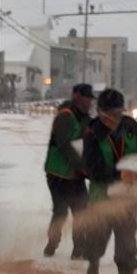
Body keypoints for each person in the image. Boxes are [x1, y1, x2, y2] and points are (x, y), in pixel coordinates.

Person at [82, 88, 137, 274]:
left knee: (126, 245)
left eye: (116, 113)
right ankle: (93, 261)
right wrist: (120, 173)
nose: (112, 119)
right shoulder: (92, 133)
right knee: (97, 240)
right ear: (100, 113)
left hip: (128, 199)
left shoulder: (132, 128)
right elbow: (93, 168)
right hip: (102, 196)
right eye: (107, 114)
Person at [43, 83, 94, 258]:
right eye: (85, 98)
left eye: (90, 98)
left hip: (75, 174)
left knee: (81, 211)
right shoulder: (65, 116)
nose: (88, 101)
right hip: (58, 173)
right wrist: (81, 166)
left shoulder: (85, 118)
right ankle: (52, 243)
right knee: (61, 211)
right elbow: (65, 145)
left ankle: (78, 249)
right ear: (75, 96)